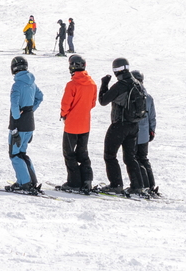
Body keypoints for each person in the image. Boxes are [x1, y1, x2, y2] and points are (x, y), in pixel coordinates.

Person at [97, 57, 146, 195]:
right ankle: (137, 186)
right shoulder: (137, 83)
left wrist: (104, 84)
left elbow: (103, 100)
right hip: (134, 125)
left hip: (120, 125)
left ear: (115, 71)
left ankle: (116, 184)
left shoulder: (120, 85)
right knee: (130, 157)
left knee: (110, 155)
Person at [57, 54, 97, 193]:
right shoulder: (92, 83)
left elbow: (65, 104)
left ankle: (74, 182)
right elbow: (92, 103)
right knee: (83, 153)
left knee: (69, 153)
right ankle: (87, 180)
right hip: (85, 124)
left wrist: (64, 114)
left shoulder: (72, 84)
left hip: (72, 125)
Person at [4, 56, 44, 193]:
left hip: (19, 124)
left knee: (15, 154)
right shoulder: (32, 82)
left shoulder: (17, 85)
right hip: (30, 123)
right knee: (22, 153)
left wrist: (16, 118)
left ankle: (25, 183)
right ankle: (30, 180)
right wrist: (31, 109)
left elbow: (14, 105)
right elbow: (40, 96)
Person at [132, 70, 159, 197]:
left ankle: (143, 184)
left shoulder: (133, 96)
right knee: (143, 158)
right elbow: (152, 117)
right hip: (144, 134)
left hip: (135, 134)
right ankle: (150, 184)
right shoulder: (148, 97)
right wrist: (151, 131)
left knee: (136, 159)